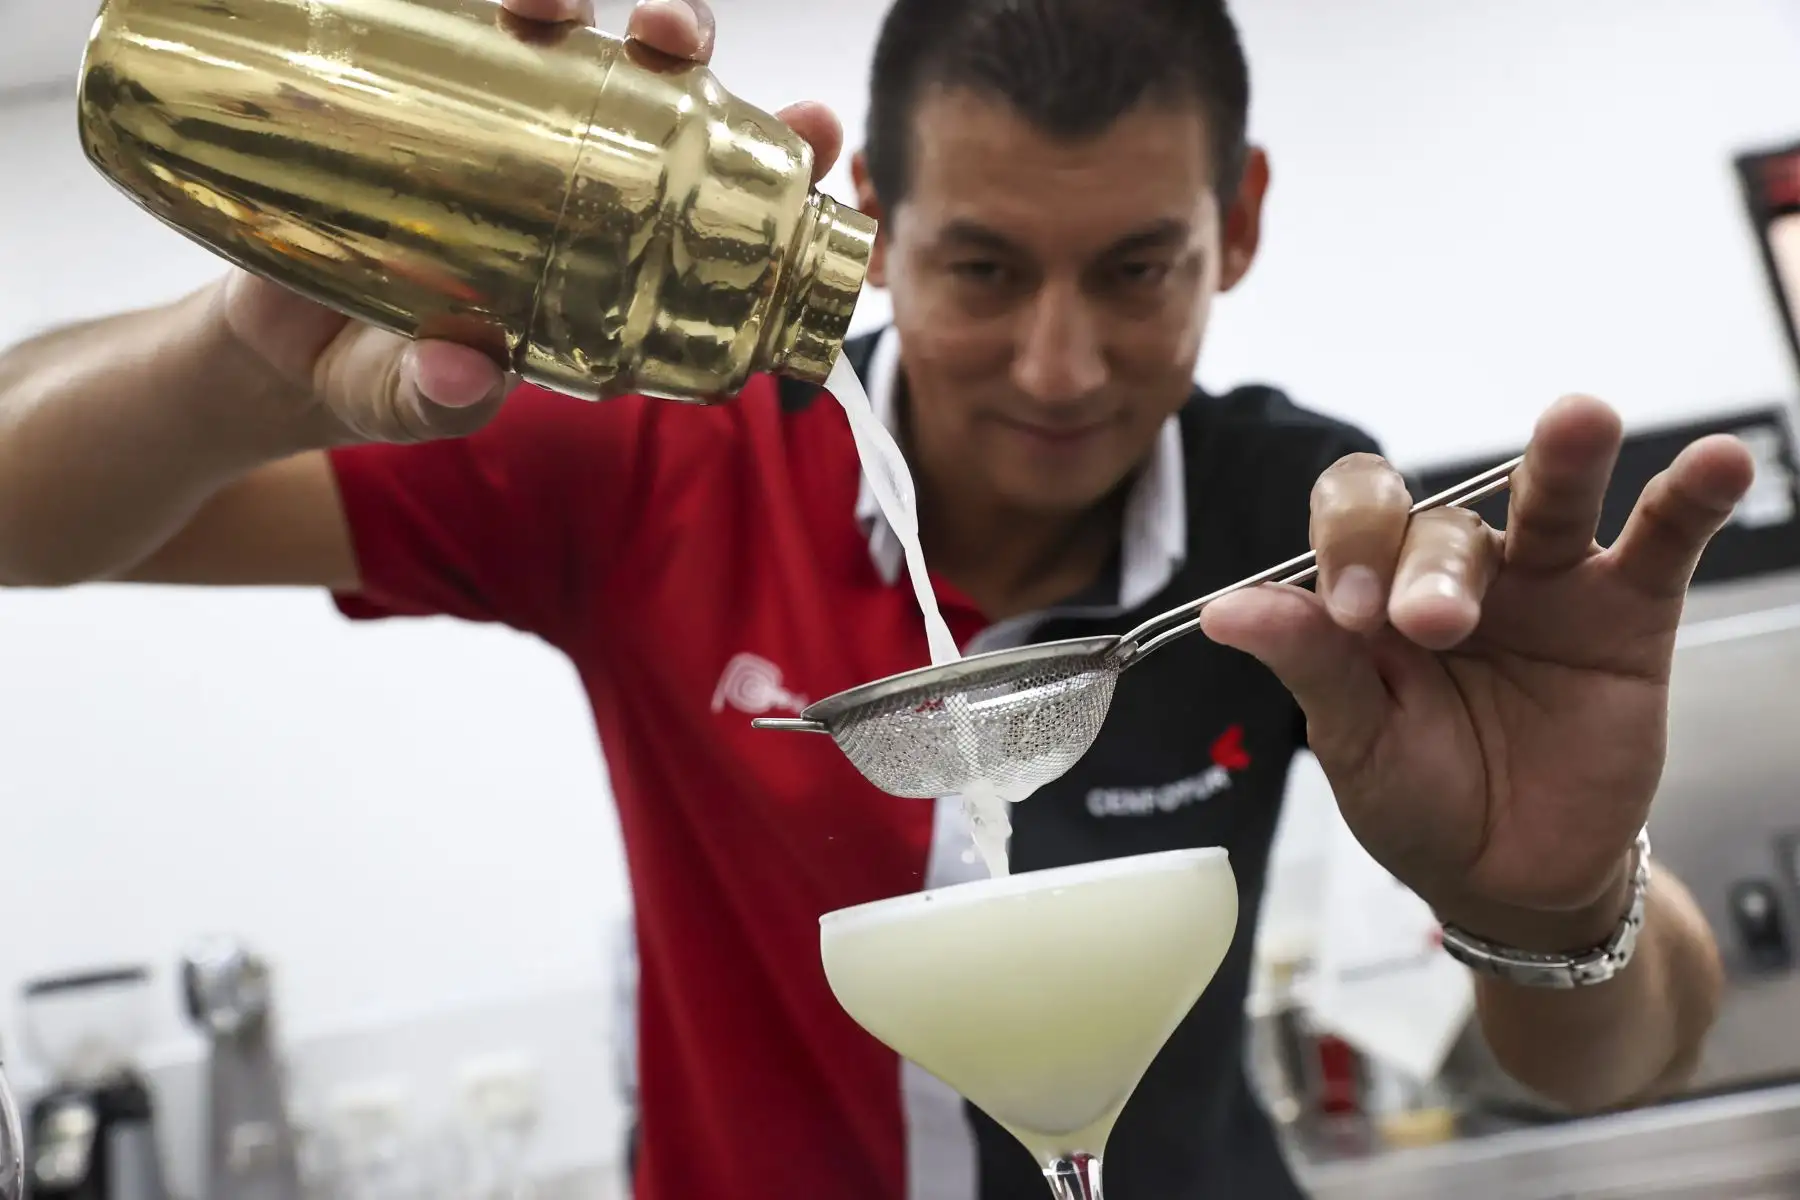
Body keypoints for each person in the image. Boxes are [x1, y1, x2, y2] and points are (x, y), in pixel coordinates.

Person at [0, 0, 1753, 1195]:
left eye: (1139, 269)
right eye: (982, 269)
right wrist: (248, 362)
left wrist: (1551, 893)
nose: (1060, 366)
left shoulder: (1298, 532)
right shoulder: (656, 455)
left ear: (1241, 222)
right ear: (876, 220)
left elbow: (1625, 1055)